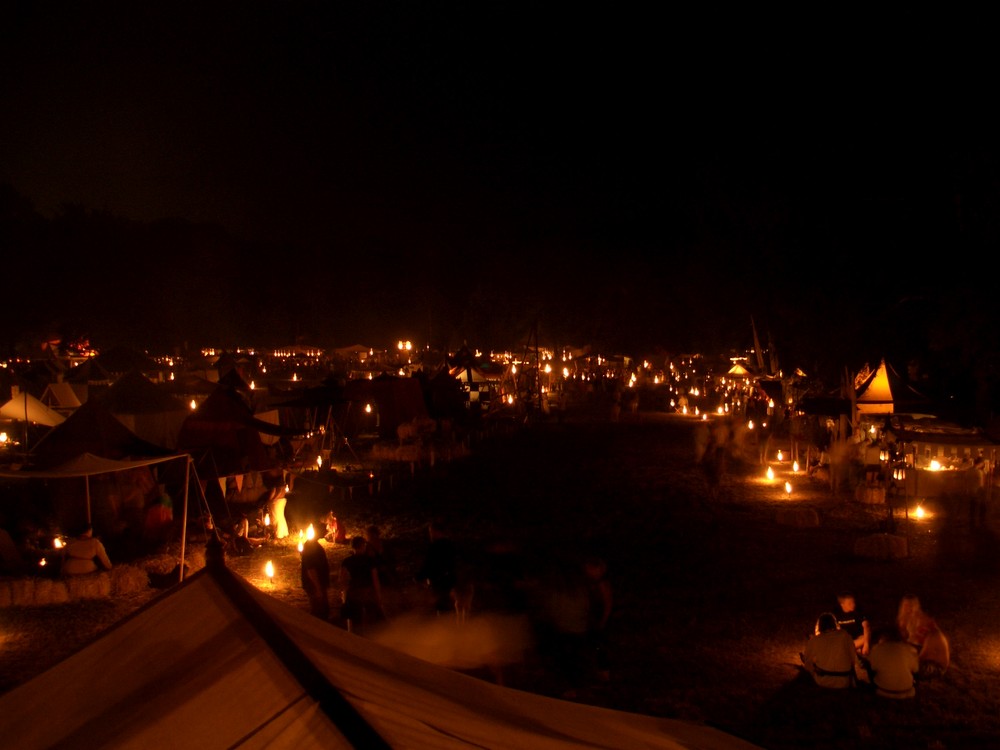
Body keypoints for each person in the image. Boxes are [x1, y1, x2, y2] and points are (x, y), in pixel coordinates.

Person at [338, 535, 385, 633]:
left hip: (353, 593)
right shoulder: (370, 561)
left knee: (355, 620)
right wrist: (379, 596)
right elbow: (375, 579)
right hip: (367, 593)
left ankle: (355, 639)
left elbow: (342, 580)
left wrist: (344, 595)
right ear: (362, 546)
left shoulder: (346, 562)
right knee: (371, 618)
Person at [800, 612, 859, 688]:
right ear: (834, 624)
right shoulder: (845, 636)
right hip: (844, 680)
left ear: (819, 626)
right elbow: (852, 658)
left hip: (823, 680)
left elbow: (808, 662)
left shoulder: (815, 640)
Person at [897, 594, 950, 677]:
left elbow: (922, 658)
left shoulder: (933, 634)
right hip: (922, 655)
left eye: (911, 606)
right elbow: (904, 641)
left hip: (935, 665)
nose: (909, 609)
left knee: (906, 668)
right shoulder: (909, 621)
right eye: (906, 606)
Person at [416, 520, 459, 615]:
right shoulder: (452, 545)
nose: (430, 535)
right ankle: (454, 627)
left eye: (431, 532)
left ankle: (444, 627)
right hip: (452, 581)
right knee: (452, 607)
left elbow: (429, 564)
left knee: (442, 608)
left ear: (437, 531)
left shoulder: (435, 547)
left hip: (439, 582)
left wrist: (419, 577)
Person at [584, 555, 613, 683]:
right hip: (592, 619)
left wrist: (603, 621)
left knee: (600, 646)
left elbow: (608, 604)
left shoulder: (602, 585)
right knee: (593, 645)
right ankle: (596, 672)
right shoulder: (590, 584)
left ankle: (604, 674)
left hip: (600, 620)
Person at [867, 626, 919, 699]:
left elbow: (873, 668)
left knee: (868, 667)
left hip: (883, 691)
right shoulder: (910, 649)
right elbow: (915, 670)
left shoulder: (877, 649)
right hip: (907, 691)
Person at [299, 536, 330, 619]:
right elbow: (311, 569)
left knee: (323, 609)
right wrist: (318, 588)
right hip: (314, 585)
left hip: (319, 583)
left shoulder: (314, 545)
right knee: (319, 610)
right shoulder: (311, 547)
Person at [834, 592, 871, 659]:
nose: (853, 605)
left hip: (858, 640)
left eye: (853, 602)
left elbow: (866, 627)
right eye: (849, 603)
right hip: (845, 642)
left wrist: (866, 644)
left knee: (865, 638)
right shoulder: (836, 615)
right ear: (842, 604)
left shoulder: (858, 612)